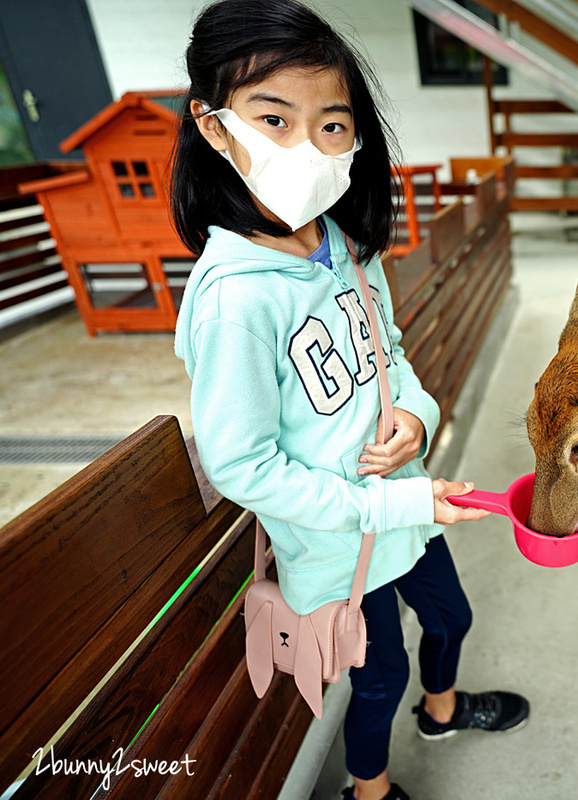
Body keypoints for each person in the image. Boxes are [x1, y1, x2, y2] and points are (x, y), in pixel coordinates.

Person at [170, 3, 529, 799]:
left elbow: (391, 357)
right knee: (377, 678)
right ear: (214, 125)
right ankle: (369, 792)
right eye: (274, 117)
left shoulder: (345, 245)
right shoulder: (236, 302)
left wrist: (418, 415)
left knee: (451, 618)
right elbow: (240, 464)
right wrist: (394, 508)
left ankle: (442, 713)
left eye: (331, 125)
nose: (308, 147)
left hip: (406, 507)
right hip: (341, 545)